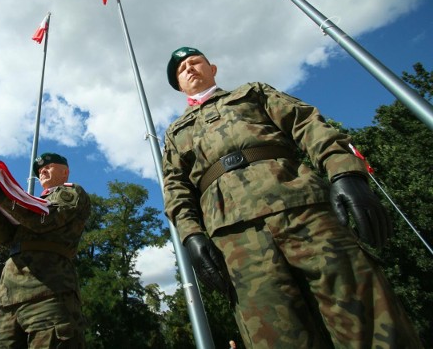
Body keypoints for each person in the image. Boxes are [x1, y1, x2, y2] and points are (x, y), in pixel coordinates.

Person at [161, 47, 422, 348]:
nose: (190, 69)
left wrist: (344, 171)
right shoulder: (174, 133)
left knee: (364, 314)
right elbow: (176, 188)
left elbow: (307, 123)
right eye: (182, 70)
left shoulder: (252, 93)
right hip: (235, 237)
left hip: (303, 208)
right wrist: (191, 235)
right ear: (179, 86)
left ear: (213, 68)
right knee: (275, 337)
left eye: (195, 62)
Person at [0, 152, 91, 348]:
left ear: (65, 172)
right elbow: (0, 236)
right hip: (9, 295)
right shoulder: (25, 205)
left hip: (49, 289)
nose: (42, 171)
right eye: (39, 170)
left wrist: (0, 194)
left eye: (49, 166)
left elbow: (42, 221)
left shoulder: (71, 193)